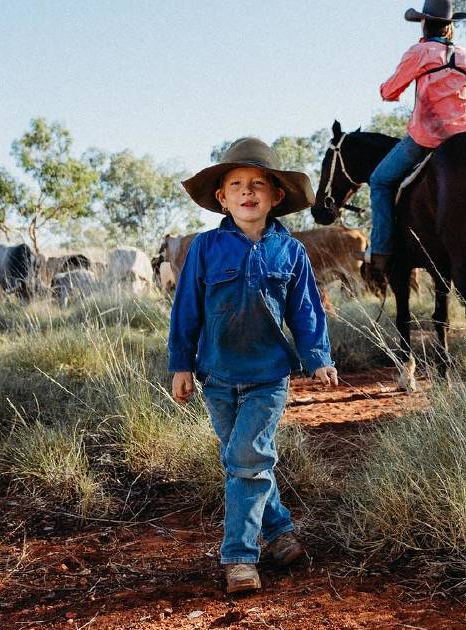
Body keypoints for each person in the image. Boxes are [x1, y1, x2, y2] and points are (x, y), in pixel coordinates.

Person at [171, 138, 339, 594]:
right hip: (217, 377)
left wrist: (318, 357)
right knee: (245, 462)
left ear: (276, 196)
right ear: (221, 198)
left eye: (258, 185)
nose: (248, 193)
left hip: (268, 376)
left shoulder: (291, 253)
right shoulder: (205, 249)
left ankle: (239, 558)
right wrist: (181, 364)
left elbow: (305, 312)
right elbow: (186, 310)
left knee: (247, 459)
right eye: (237, 185)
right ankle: (281, 533)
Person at [367, 0, 466, 275]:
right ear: (450, 25)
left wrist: (386, 88)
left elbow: (389, 92)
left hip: (428, 137)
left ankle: (381, 250)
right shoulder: (465, 56)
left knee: (379, 181)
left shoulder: (420, 51)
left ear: (424, 22)